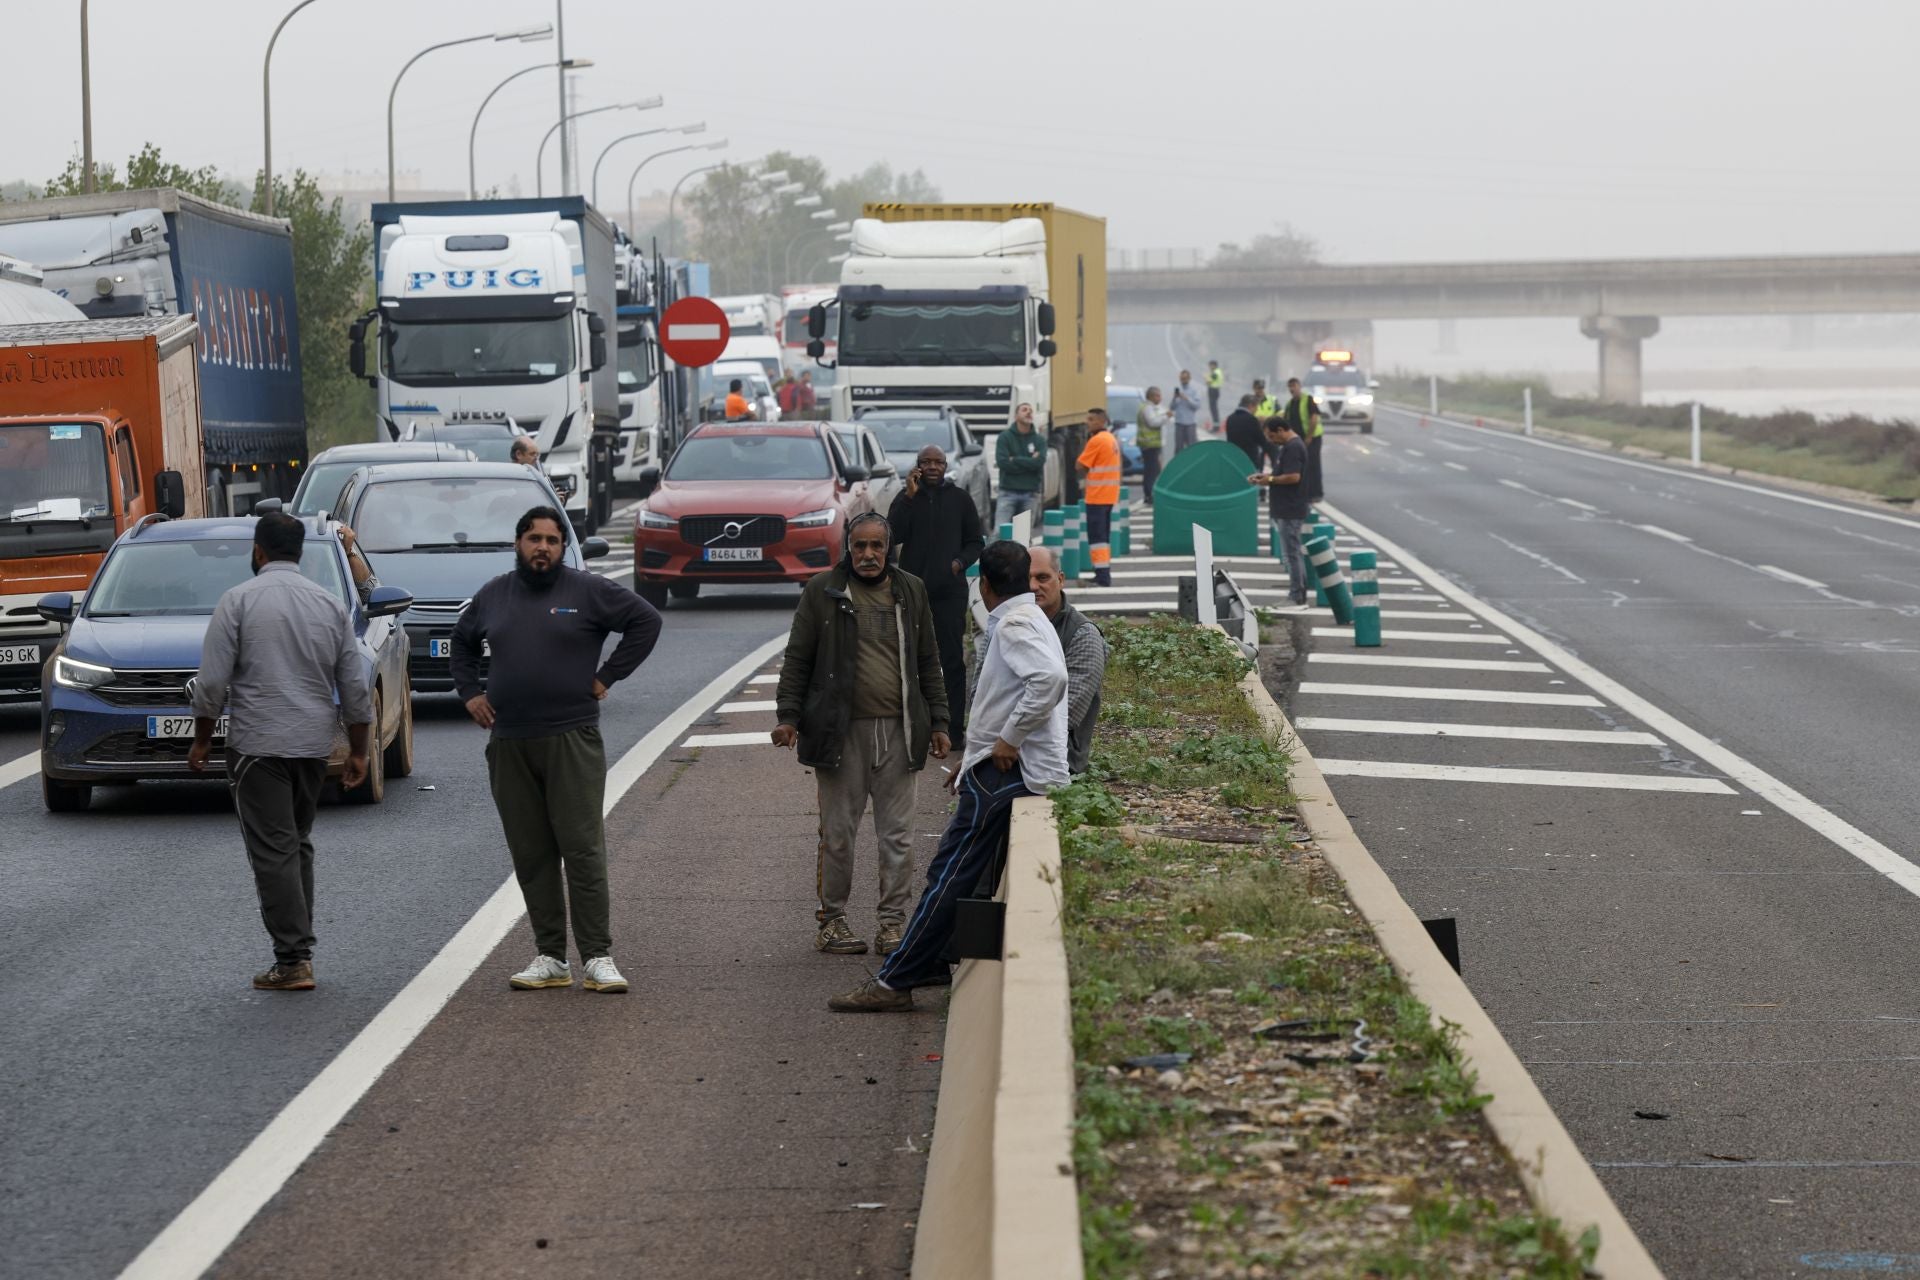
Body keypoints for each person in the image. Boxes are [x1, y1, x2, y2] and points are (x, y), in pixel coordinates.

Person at [828, 541, 1069, 1012]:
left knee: (949, 875)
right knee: (953, 873)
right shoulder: (1027, 619)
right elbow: (1011, 695)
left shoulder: (1016, 625)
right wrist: (979, 750)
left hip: (1009, 774)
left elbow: (1049, 681)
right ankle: (930, 961)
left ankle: (895, 982)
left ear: (984, 586)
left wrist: (1008, 741)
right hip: (1003, 767)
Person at [452, 506, 663, 994]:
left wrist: (607, 676)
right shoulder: (493, 595)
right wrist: (471, 693)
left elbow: (645, 621)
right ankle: (550, 956)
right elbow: (461, 643)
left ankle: (597, 956)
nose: (542, 547)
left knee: (582, 849)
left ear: (562, 547)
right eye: (533, 538)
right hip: (510, 743)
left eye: (551, 540)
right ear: (518, 543)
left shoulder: (586, 591)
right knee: (532, 853)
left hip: (571, 738)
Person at [187, 511, 373, 992]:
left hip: (257, 748)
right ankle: (298, 948)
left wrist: (203, 738)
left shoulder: (238, 602)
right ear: (301, 553)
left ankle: (293, 960)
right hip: (312, 747)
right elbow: (354, 687)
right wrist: (358, 751)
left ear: (258, 551)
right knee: (297, 840)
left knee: (273, 850)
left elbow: (211, 684)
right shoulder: (328, 604)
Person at [772, 512, 951, 958]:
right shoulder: (823, 591)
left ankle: (892, 925)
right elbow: (798, 658)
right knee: (837, 834)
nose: (868, 555)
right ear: (847, 548)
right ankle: (832, 922)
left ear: (890, 548)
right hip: (839, 734)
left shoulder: (911, 589)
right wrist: (788, 716)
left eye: (876, 546)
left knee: (898, 836)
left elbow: (929, 659)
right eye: (859, 546)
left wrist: (941, 721)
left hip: (899, 731)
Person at [969, 546, 1106, 776]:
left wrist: (1008, 738)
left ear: (1060, 579)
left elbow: (1066, 714)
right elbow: (978, 694)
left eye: (1043, 577)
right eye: (1027, 578)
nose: (1033, 586)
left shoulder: (1082, 634)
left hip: (1050, 761)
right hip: (999, 752)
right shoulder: (1005, 622)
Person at [889, 445, 984, 739]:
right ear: (917, 466)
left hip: (949, 593)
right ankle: (917, 726)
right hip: (910, 593)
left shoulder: (959, 499)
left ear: (945, 466)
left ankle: (954, 728)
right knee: (910, 658)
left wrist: (958, 564)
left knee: (951, 659)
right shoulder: (907, 498)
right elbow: (892, 534)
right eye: (926, 462)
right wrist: (907, 496)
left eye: (937, 462)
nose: (932, 467)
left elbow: (975, 541)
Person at [1253, 416, 1311, 607]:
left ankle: (1296, 595)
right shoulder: (1289, 446)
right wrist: (1266, 477)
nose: (1271, 440)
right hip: (1287, 506)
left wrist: (1269, 481)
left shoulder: (1293, 447)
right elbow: (1283, 473)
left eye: (1272, 436)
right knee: (1293, 552)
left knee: (1292, 554)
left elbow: (1294, 477)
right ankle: (1298, 593)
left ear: (1280, 430)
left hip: (1290, 507)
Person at [1075, 407, 1121, 587]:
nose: (1088, 422)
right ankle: (1102, 572)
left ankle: (1102, 576)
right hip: (1108, 496)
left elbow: (1079, 465)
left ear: (1102, 421)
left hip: (1097, 496)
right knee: (1103, 537)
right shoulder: (1110, 439)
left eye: (1091, 419)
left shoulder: (1097, 440)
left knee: (1097, 538)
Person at [994, 402, 1047, 525]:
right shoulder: (1005, 437)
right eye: (1024, 410)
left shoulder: (1039, 440)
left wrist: (1015, 459)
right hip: (1007, 492)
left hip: (1030, 493)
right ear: (1016, 416)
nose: (1028, 412)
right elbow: (1003, 463)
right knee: (999, 534)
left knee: (1024, 536)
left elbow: (1039, 463)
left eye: (1030, 410)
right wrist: (1029, 462)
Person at [1282, 377, 1326, 502]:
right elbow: (1287, 422)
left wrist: (1309, 436)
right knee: (1300, 466)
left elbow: (1314, 418)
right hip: (1298, 440)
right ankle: (1304, 492)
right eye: (1290, 387)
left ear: (1299, 386)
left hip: (1312, 438)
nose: (1292, 389)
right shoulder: (1290, 404)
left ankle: (1316, 493)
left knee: (1313, 465)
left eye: (1294, 386)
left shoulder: (1308, 400)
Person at [1135, 386, 1169, 503]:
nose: (1160, 398)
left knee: (1154, 469)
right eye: (1157, 395)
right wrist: (1166, 417)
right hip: (1149, 444)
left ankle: (1151, 492)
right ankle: (1149, 494)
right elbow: (1153, 422)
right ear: (1151, 396)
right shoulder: (1147, 408)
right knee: (1151, 470)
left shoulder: (1151, 407)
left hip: (1152, 444)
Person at [1224, 393, 1266, 467]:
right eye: (1256, 407)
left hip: (1233, 459)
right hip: (1250, 461)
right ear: (1250, 406)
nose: (1256, 410)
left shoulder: (1230, 418)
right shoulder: (1252, 420)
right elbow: (1262, 441)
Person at [1171, 370, 1202, 455]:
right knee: (1178, 448)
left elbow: (1197, 406)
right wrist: (1174, 398)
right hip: (1179, 422)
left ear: (1189, 378)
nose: (1183, 380)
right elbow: (1172, 407)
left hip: (1190, 423)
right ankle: (1178, 466)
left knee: (1191, 448)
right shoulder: (1178, 390)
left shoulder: (1194, 390)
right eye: (1181, 378)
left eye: (1185, 378)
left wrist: (1187, 398)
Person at [1206, 360, 1225, 424]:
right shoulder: (1218, 371)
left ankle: (1216, 425)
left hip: (1213, 390)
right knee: (1214, 408)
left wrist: (1206, 378)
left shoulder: (1216, 372)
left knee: (1213, 409)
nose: (1210, 367)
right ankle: (1216, 424)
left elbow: (1209, 381)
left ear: (1214, 365)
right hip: (1215, 390)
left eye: (1210, 365)